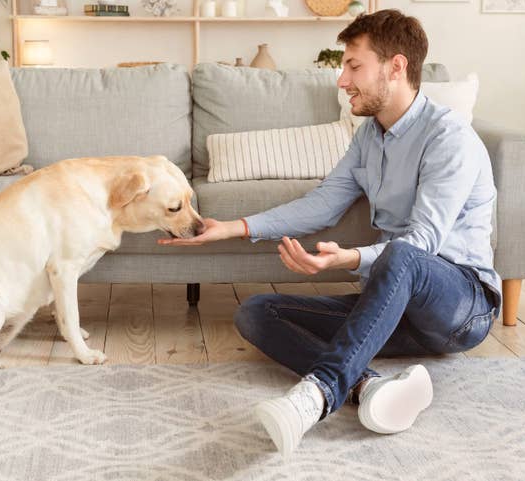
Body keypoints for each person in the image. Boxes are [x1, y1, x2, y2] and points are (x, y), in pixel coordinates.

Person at [159, 9, 501, 456]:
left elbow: (422, 246)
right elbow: (323, 203)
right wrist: (235, 227)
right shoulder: (368, 137)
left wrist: (349, 259)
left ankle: (314, 397)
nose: (342, 80)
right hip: (395, 307)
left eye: (354, 66)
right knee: (257, 312)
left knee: (402, 256)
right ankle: (371, 389)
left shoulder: (447, 137)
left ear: (395, 67)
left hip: (460, 307)